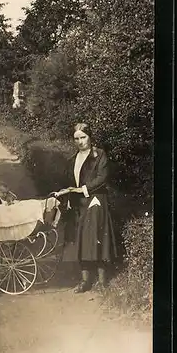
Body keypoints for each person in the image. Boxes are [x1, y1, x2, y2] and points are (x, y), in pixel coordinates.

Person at [52, 123, 117, 293]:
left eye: (83, 137)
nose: (80, 141)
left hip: (96, 201)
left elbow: (102, 178)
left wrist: (83, 189)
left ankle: (103, 282)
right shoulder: (72, 159)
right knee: (80, 240)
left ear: (90, 136)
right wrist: (64, 192)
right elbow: (69, 182)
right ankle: (85, 281)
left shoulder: (100, 155)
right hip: (78, 204)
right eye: (76, 138)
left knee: (97, 239)